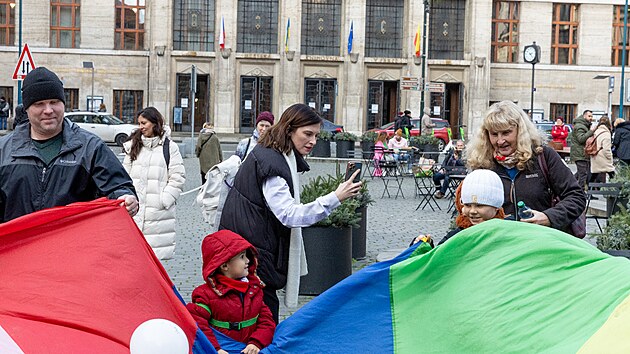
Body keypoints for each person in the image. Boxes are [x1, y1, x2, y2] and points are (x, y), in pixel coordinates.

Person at [219, 103, 362, 323]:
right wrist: (335, 197)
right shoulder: (272, 162)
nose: (313, 141)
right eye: (307, 134)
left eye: (316, 135)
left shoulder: (271, 153)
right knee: (261, 326)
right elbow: (289, 215)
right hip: (252, 256)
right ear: (289, 130)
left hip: (249, 250)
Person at [0, 67, 138, 223]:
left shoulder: (91, 148)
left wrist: (124, 197)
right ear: (27, 109)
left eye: (54, 102)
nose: (48, 110)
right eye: (39, 104)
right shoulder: (3, 150)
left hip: (74, 246)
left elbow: (117, 186)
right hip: (20, 246)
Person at [466, 100, 586, 236]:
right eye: (494, 134)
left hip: (540, 243)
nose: (500, 141)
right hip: (497, 245)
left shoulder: (544, 156)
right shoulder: (483, 163)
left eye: (506, 133)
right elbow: (467, 207)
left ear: (520, 131)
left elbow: (576, 197)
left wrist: (549, 217)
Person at [186, 230, 275, 354]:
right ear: (224, 266)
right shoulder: (205, 295)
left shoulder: (254, 289)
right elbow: (197, 324)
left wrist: (257, 342)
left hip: (249, 349)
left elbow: (267, 321)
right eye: (242, 257)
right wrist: (215, 349)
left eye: (247, 256)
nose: (248, 261)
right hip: (222, 349)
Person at [123, 107, 185, 260]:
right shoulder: (133, 146)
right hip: (134, 212)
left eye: (144, 123)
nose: (141, 127)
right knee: (134, 261)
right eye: (139, 123)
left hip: (158, 215)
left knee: (155, 263)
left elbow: (178, 177)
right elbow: (123, 176)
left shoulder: (169, 147)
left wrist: (164, 200)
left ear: (155, 123)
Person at [412, 169, 505, 246]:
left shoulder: (506, 234)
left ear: (496, 206)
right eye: (467, 205)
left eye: (479, 205)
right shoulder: (456, 236)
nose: (472, 211)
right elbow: (438, 257)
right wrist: (424, 247)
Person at [570, 109, 595, 191]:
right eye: (589, 116)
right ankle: (580, 191)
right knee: (583, 174)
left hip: (582, 153)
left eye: (591, 116)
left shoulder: (584, 125)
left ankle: (569, 185)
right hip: (580, 153)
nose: (591, 118)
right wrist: (591, 131)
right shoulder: (580, 126)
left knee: (580, 173)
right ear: (584, 116)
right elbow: (581, 139)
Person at [590, 116, 615, 183]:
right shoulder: (606, 133)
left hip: (595, 156)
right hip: (603, 157)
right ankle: (615, 190)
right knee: (612, 174)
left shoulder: (596, 131)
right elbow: (606, 149)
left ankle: (589, 190)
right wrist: (610, 157)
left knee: (594, 174)